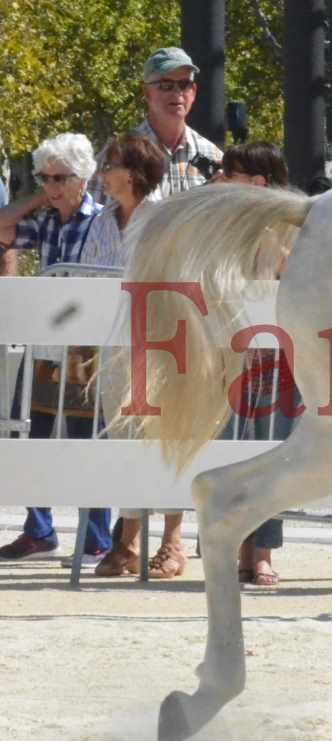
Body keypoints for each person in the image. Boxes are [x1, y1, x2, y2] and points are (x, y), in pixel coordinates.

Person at [79, 134, 191, 577]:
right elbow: (84, 279)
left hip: (164, 344)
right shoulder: (101, 219)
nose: (103, 174)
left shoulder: (166, 217)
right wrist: (85, 344)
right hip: (114, 347)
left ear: (134, 172)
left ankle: (172, 542)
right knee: (123, 440)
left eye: (110, 165)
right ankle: (126, 542)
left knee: (167, 439)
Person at [0, 133, 113, 562]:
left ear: (84, 177)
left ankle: (96, 538)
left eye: (61, 177)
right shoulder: (44, 221)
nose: (53, 186)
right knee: (33, 434)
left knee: (87, 441)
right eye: (45, 177)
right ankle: (40, 530)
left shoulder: (103, 219)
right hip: (46, 340)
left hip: (87, 345)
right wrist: (35, 197)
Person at [213, 142, 296, 587]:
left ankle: (260, 551)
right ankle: (229, 547)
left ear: (259, 183)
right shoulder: (223, 225)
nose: (224, 177)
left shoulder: (287, 227)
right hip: (228, 350)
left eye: (233, 172)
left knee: (269, 453)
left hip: (274, 353)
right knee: (226, 449)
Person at [97, 47, 224, 202]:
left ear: (194, 92)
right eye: (166, 85)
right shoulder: (117, 156)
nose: (177, 93)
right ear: (146, 93)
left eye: (184, 84)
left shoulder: (213, 156)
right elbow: (97, 219)